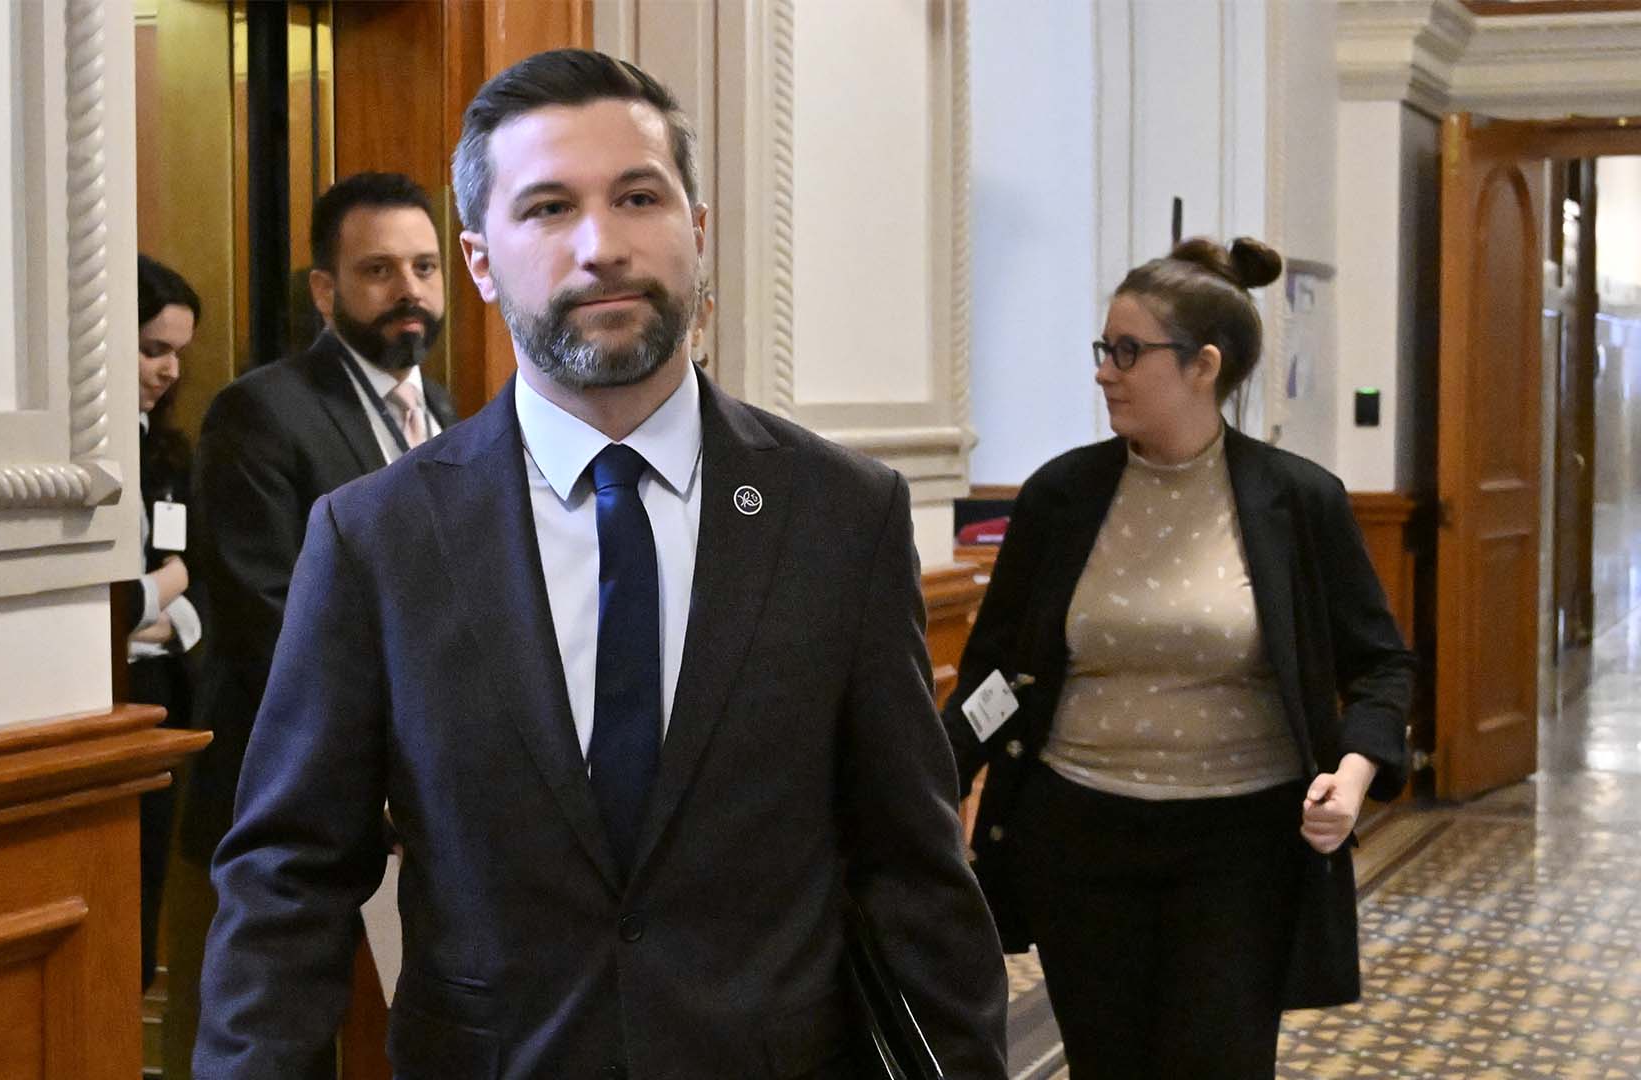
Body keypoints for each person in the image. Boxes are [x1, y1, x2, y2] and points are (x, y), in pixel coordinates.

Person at [195, 48, 1010, 1078]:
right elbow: (287, 879)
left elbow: (914, 872)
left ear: (698, 232)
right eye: (545, 209)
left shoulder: (838, 515)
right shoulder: (377, 537)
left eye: (638, 198)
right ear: (480, 261)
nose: (601, 247)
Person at [946, 237, 1414, 1078]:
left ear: (1204, 366)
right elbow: (994, 671)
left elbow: (1382, 665)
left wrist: (1352, 776)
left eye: (1128, 351)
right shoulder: (1063, 495)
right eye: (1104, 349)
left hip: (1240, 850)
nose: (1104, 371)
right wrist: (928, 788)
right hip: (1077, 839)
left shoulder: (1297, 500)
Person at [162, 172, 460, 1080]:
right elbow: (267, 617)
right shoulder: (263, 410)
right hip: (287, 791)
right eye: (379, 270)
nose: (409, 289)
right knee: (262, 1030)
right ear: (326, 291)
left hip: (413, 800)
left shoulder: (447, 414)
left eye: (424, 266)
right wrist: (393, 760)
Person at [128, 253, 204, 991]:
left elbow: (201, 581)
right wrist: (164, 591)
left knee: (148, 898)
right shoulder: (89, 454)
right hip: (102, 702)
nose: (169, 370)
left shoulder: (172, 452)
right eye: (152, 350)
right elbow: (106, 603)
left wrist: (166, 610)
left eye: (177, 352)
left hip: (164, 703)